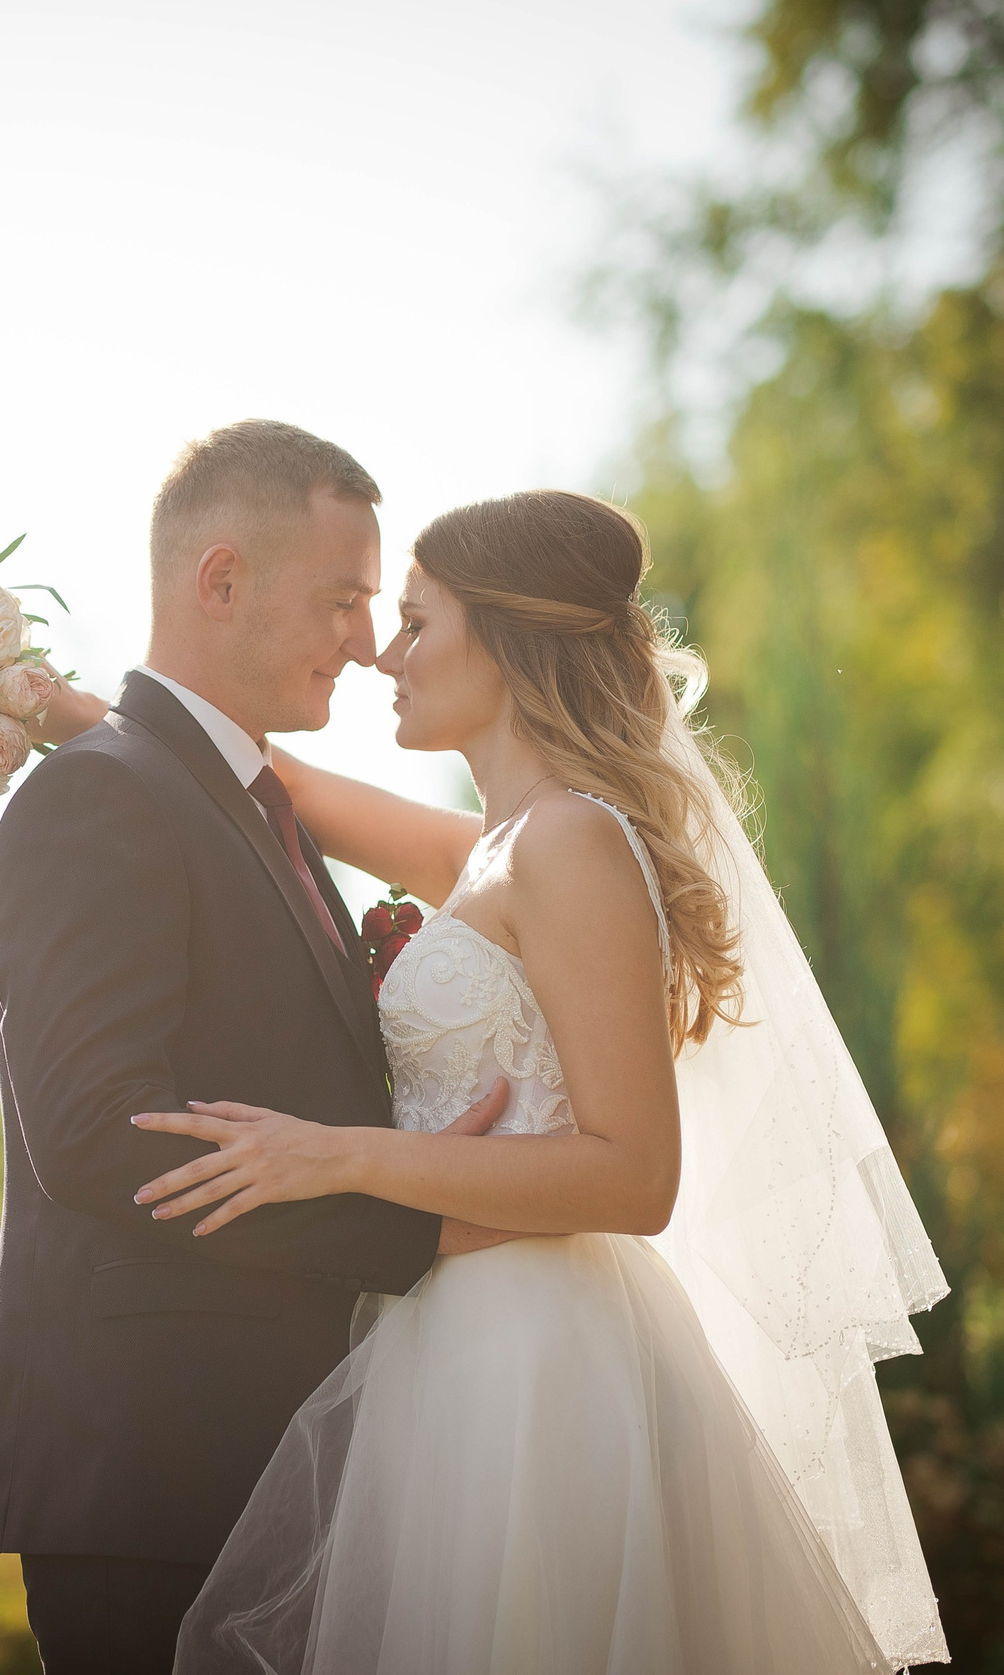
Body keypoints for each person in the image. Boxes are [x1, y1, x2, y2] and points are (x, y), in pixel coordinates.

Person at [123, 490, 952, 1672]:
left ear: (508, 639)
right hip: (449, 1334)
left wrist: (341, 1153)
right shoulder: (499, 845)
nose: (380, 655)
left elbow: (634, 1173)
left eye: (413, 622)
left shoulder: (566, 840)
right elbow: (277, 789)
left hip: (537, 1359)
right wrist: (34, 702)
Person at [0, 421, 517, 1674]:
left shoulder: (242, 799)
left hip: (291, 1457)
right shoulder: (96, 794)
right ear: (221, 581)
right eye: (341, 598)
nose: (366, 639)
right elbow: (107, 1139)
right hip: (158, 1478)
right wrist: (418, 1220)